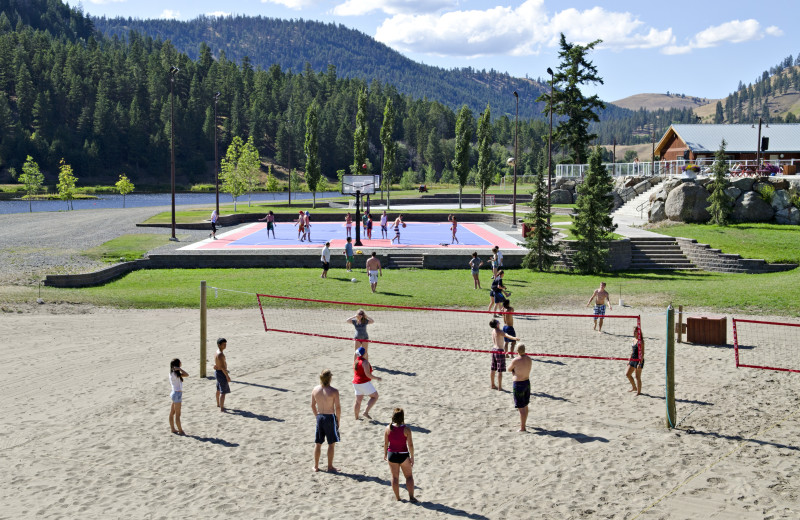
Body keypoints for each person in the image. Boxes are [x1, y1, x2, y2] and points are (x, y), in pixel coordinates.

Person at [383, 408, 417, 503]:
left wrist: (385, 454)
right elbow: (410, 445)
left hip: (392, 454)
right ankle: (411, 497)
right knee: (409, 477)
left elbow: (386, 443)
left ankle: (398, 498)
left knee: (394, 477)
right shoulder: (406, 429)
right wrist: (412, 456)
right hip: (403, 455)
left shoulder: (387, 428)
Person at [311, 369, 341, 473]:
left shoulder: (315, 389)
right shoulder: (334, 391)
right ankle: (330, 466)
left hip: (320, 416)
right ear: (330, 378)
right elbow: (338, 407)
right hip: (330, 417)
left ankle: (315, 466)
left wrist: (317, 416)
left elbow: (312, 405)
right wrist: (338, 420)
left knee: (318, 443)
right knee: (331, 443)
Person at [353, 346, 382, 420]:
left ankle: (356, 417)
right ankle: (365, 412)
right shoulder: (364, 362)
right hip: (363, 383)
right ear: (364, 353)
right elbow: (368, 374)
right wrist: (376, 378)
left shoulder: (356, 360)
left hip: (356, 383)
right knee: (375, 396)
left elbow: (355, 354)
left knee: (358, 401)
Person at [508, 344, 532, 432]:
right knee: (525, 405)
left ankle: (523, 428)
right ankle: (524, 423)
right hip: (526, 382)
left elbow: (509, 369)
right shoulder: (529, 359)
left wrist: (514, 372)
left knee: (521, 407)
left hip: (518, 384)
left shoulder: (516, 360)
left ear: (517, 351)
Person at [489, 319, 518, 391]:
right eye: (498, 322)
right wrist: (515, 338)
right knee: (500, 370)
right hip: (499, 351)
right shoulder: (500, 332)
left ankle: (492, 385)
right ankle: (499, 387)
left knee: (493, 369)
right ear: (497, 324)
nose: (499, 322)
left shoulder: (493, 331)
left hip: (494, 350)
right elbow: (507, 336)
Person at [169, 358, 189, 435]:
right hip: (177, 394)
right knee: (178, 414)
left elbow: (186, 375)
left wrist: (178, 369)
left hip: (174, 393)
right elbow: (187, 374)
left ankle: (173, 429)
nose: (181, 363)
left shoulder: (172, 373)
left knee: (172, 412)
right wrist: (180, 369)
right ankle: (180, 430)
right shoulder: (175, 374)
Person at [214, 338, 231, 412]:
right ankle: (222, 408)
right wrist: (227, 376)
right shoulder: (220, 354)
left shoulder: (217, 352)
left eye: (225, 344)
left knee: (218, 389)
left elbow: (217, 363)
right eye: (224, 344)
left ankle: (218, 404)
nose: (225, 345)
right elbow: (223, 367)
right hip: (221, 373)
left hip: (217, 372)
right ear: (219, 345)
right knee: (223, 392)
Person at [626, 326, 644, 395]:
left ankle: (639, 392)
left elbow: (642, 353)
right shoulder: (633, 339)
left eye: (635, 331)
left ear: (638, 332)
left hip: (638, 360)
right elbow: (632, 351)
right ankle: (634, 387)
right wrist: (629, 360)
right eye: (633, 331)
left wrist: (640, 363)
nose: (634, 332)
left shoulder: (641, 341)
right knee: (628, 374)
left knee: (637, 377)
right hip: (633, 359)